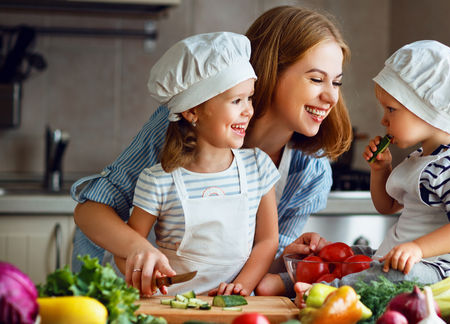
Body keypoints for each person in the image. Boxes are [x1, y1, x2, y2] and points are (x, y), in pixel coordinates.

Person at [70, 5, 352, 296]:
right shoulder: (184, 123)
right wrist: (138, 248)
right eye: (317, 79)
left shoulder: (310, 171)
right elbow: (92, 209)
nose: (331, 96)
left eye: (337, 82)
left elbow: (261, 266)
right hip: (123, 292)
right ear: (271, 71)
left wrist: (293, 259)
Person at [295, 40, 450, 302]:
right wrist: (381, 170)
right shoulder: (420, 159)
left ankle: (330, 292)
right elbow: (387, 206)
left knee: (393, 273)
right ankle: (293, 279)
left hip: (440, 270)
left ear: (427, 109)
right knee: (357, 253)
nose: (383, 120)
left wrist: (417, 249)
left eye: (391, 110)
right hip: (410, 259)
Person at [110, 32, 280, 297]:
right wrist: (143, 275)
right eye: (237, 100)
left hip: (236, 307)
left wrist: (241, 287)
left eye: (249, 98)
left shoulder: (258, 167)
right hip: (171, 306)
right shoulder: (158, 180)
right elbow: (128, 251)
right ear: (192, 112)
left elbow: (268, 241)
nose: (248, 110)